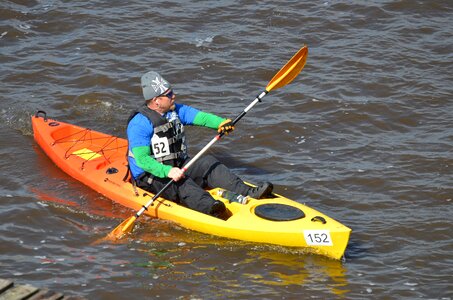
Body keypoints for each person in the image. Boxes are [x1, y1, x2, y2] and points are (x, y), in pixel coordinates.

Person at [126, 71, 273, 218]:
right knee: (181, 183)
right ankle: (211, 208)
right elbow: (142, 160)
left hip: (178, 164)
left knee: (208, 163)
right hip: (151, 176)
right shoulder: (139, 124)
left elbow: (200, 117)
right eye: (169, 94)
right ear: (157, 100)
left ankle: (248, 192)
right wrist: (168, 171)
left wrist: (221, 123)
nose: (174, 96)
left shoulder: (175, 110)